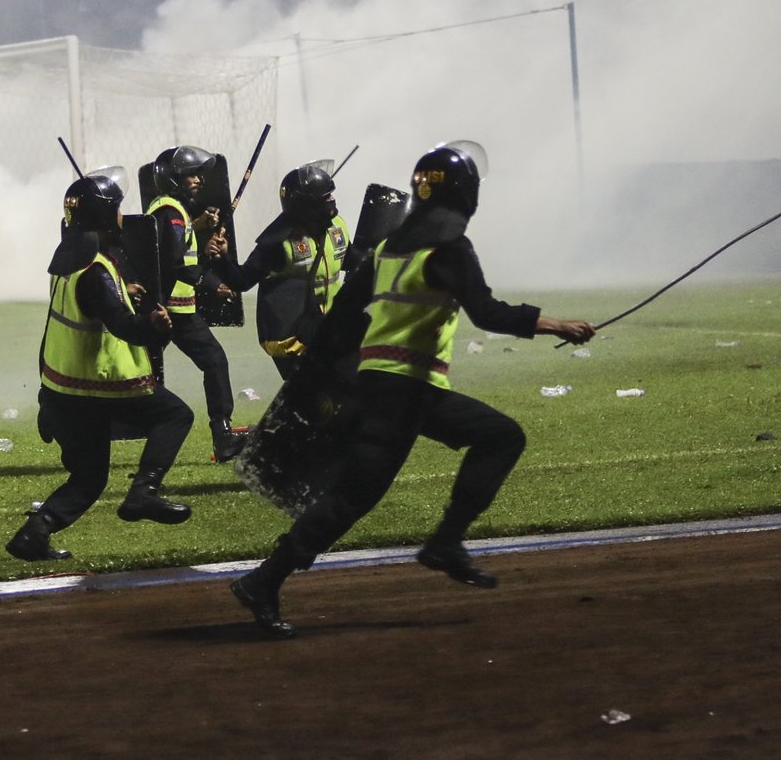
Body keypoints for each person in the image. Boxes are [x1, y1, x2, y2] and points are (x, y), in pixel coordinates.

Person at [229, 142, 595, 638]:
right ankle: (273, 578)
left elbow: (338, 323)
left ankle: (272, 578)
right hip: (405, 393)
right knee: (367, 492)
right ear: (466, 194)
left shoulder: (387, 249)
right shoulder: (449, 248)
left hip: (382, 385)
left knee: (382, 484)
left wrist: (317, 383)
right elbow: (487, 312)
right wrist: (555, 324)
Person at [7, 168, 194, 561]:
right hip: (104, 385)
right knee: (176, 415)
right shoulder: (97, 270)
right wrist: (155, 326)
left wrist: (122, 290)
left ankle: (33, 534)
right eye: (119, 209)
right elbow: (124, 327)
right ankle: (145, 491)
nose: (124, 216)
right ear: (106, 216)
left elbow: (80, 309)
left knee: (89, 477)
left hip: (63, 390)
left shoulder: (68, 261)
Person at [145, 145, 242, 460]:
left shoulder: (173, 211)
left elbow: (175, 257)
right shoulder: (170, 212)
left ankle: (223, 435)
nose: (198, 178)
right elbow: (175, 264)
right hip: (169, 310)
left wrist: (202, 244)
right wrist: (213, 284)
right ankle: (221, 434)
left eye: (199, 173)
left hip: (178, 310)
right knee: (144, 378)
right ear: (173, 178)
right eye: (190, 174)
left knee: (212, 361)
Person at [213, 160, 352, 379]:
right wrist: (221, 259)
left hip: (327, 328)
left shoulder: (338, 227)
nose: (332, 200)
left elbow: (352, 262)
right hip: (292, 335)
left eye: (331, 194)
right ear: (307, 205)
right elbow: (242, 280)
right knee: (312, 395)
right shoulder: (278, 241)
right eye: (325, 197)